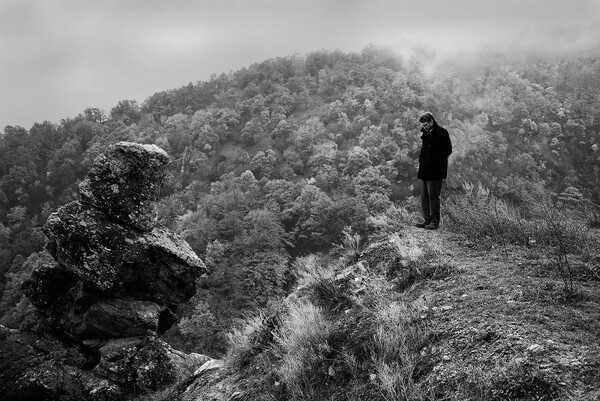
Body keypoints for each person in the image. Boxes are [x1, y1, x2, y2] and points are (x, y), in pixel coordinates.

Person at [415, 112, 452, 230]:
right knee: (424, 196)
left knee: (433, 197)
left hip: (435, 171)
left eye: (425, 125)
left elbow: (447, 150)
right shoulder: (426, 133)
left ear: (431, 121)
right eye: (423, 125)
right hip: (425, 169)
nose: (424, 127)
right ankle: (427, 220)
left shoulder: (442, 132)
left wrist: (434, 160)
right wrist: (422, 160)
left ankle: (435, 222)